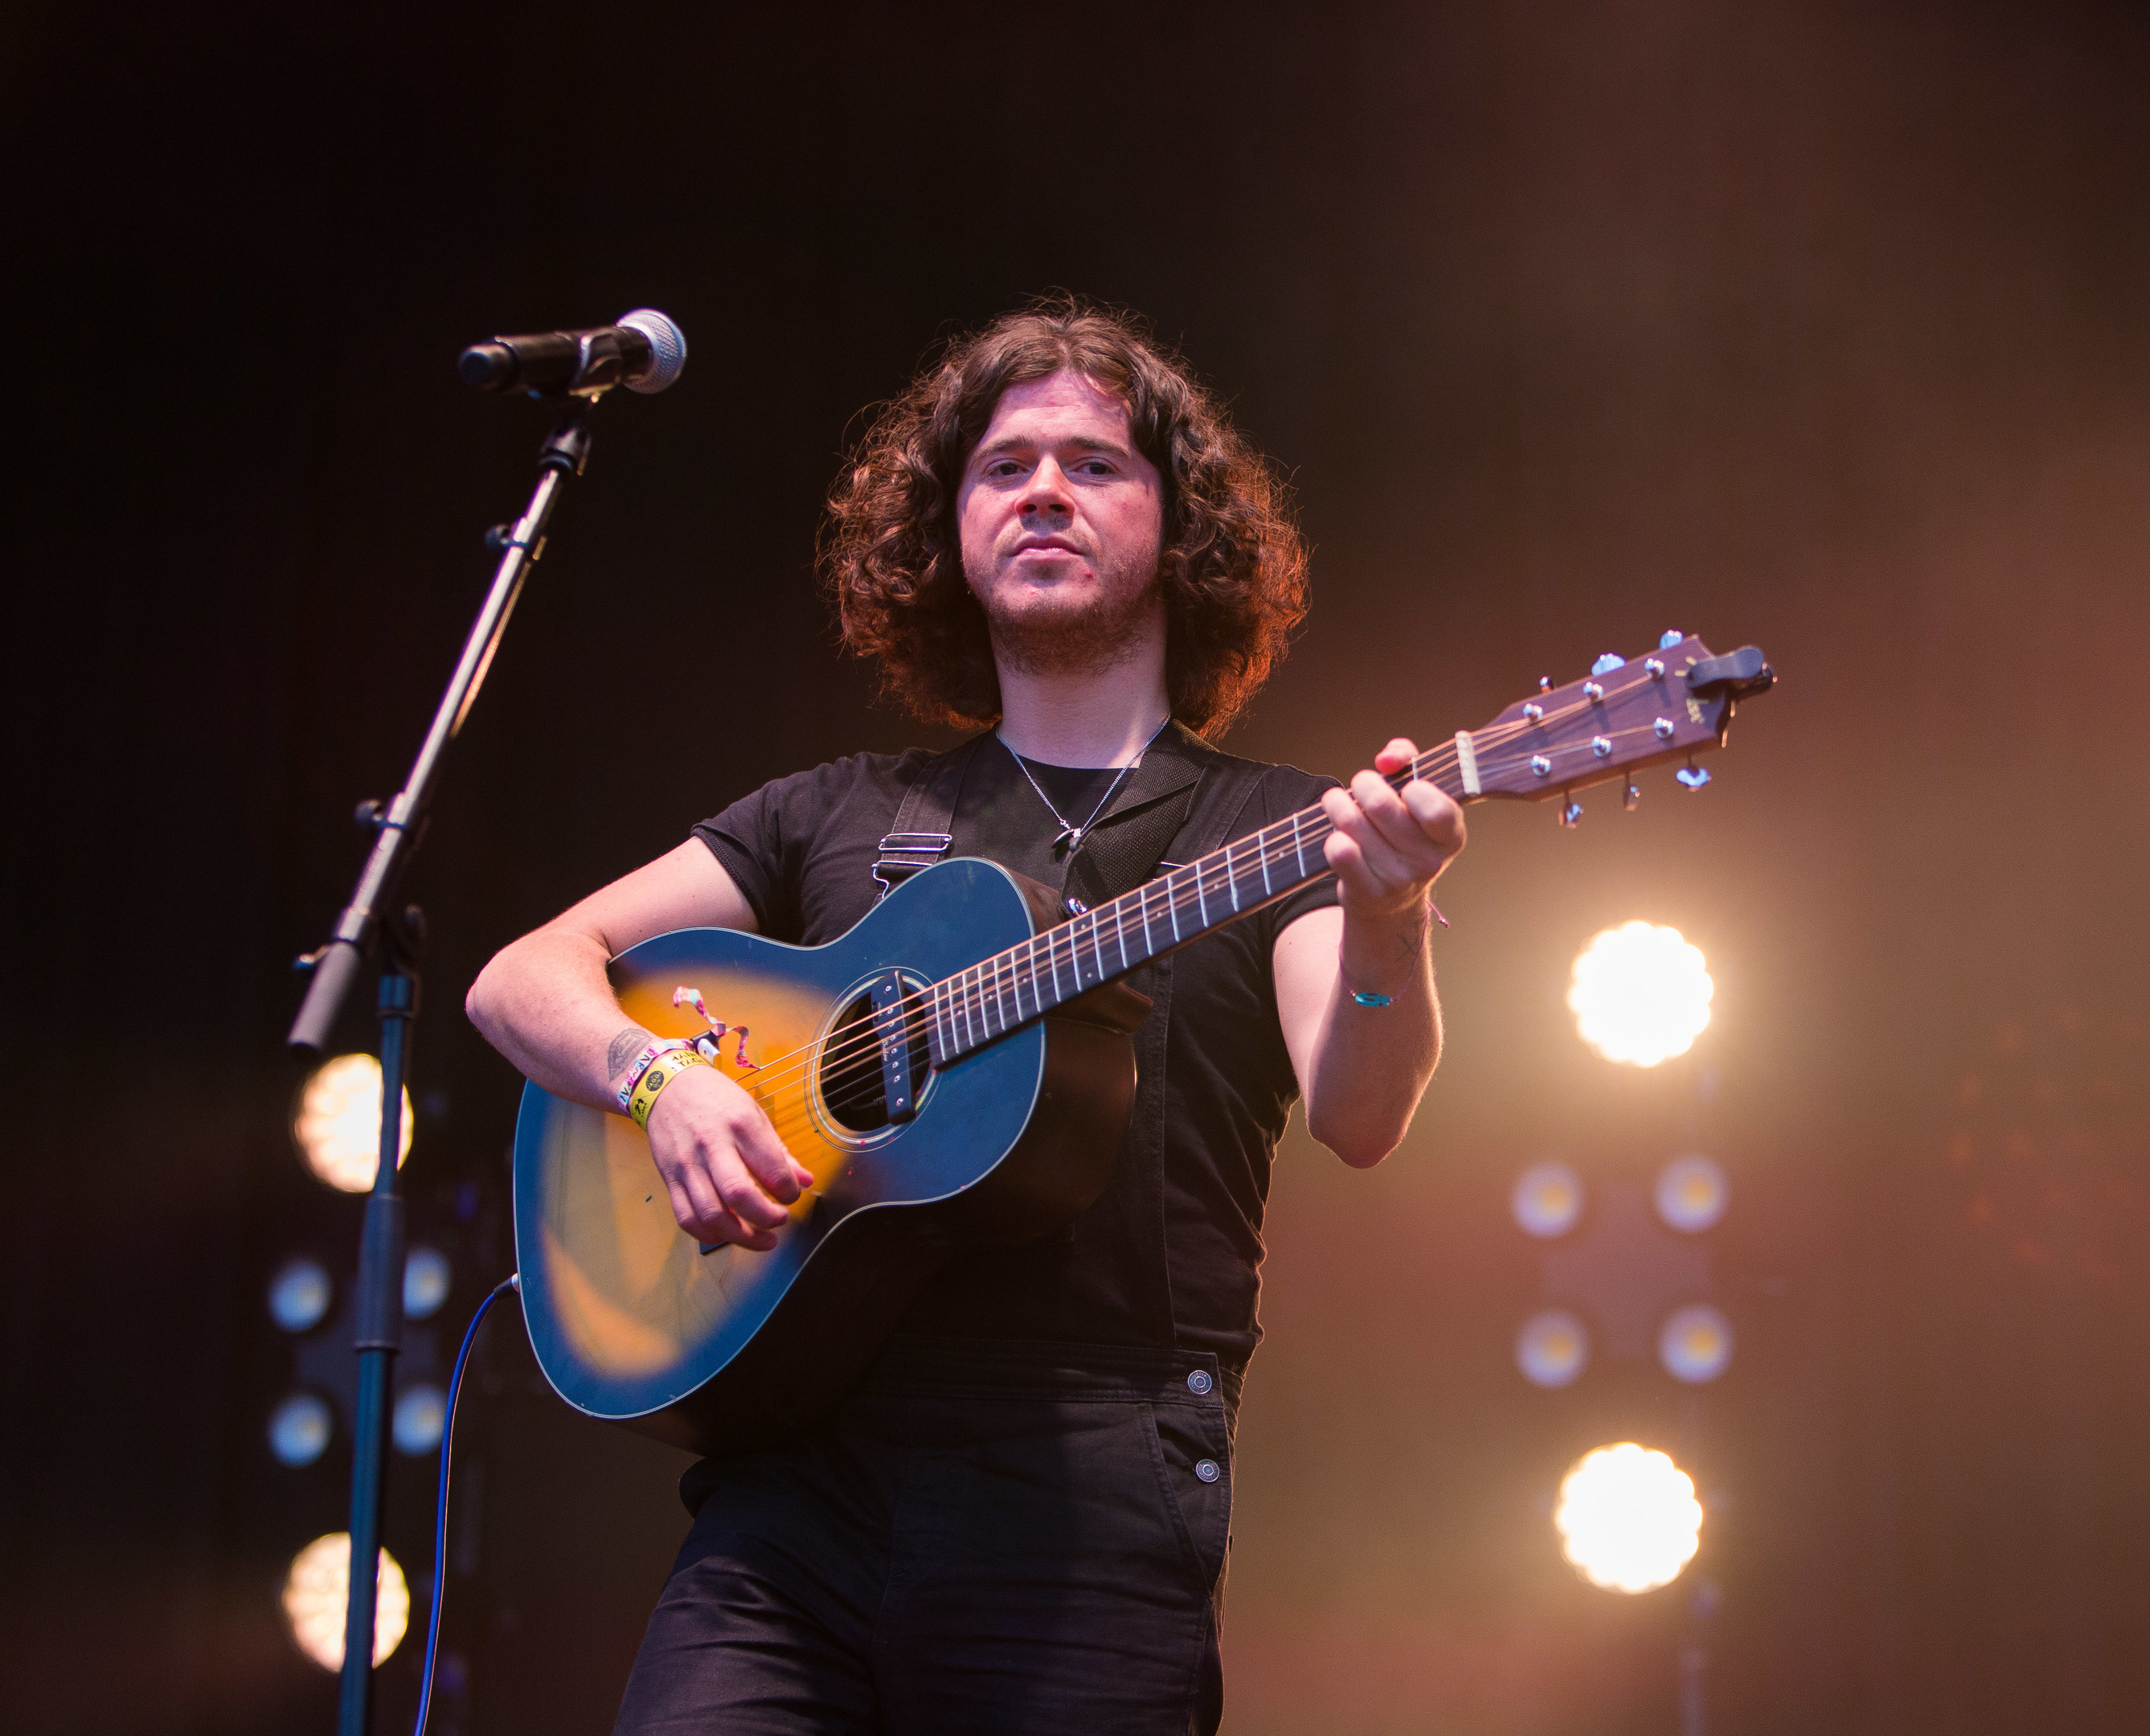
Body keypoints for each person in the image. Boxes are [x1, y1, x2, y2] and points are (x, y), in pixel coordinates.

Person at [465, 297, 1465, 1734]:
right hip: (792, 1488)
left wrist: (1390, 911)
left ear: (1182, 532)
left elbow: (1363, 1114)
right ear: (947, 534)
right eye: (1003, 468)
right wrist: (656, 1080)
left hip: (1091, 1486)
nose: (1044, 489)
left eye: (1095, 464)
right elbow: (522, 977)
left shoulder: (1277, 831)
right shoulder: (835, 811)